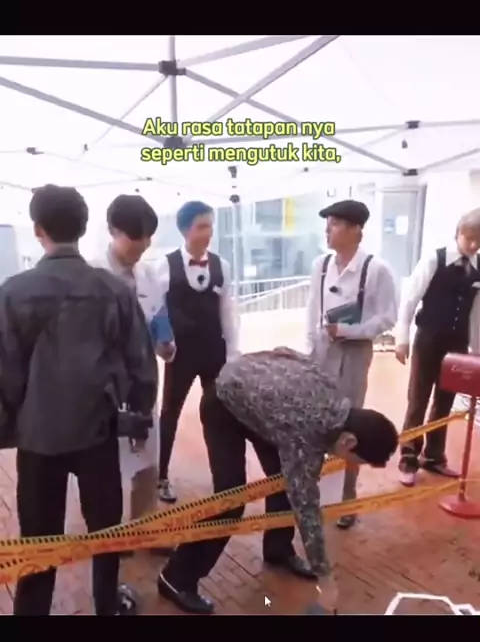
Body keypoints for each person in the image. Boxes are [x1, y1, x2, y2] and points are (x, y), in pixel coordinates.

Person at [0, 185, 158, 615]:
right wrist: (138, 415)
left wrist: (11, 425)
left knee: (39, 543)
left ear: (38, 230)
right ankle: (107, 605)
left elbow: (5, 374)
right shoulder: (113, 289)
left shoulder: (12, 293)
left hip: (37, 439)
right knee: (106, 535)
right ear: (85, 228)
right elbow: (141, 363)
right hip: (97, 433)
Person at [158, 348, 399, 615]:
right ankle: (176, 578)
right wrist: (325, 579)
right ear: (348, 441)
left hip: (259, 399)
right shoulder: (307, 435)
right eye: (355, 460)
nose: (350, 464)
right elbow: (308, 512)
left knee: (286, 480)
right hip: (223, 404)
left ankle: (278, 549)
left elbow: (286, 353)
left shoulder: (333, 394)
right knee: (231, 502)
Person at [306, 200, 398, 529]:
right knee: (315, 421)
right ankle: (312, 494)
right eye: (327, 223)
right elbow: (312, 310)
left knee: (350, 424)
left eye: (334, 224)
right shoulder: (320, 265)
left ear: (356, 229)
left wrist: (351, 331)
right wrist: (309, 351)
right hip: (321, 352)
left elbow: (388, 317)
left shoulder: (376, 269)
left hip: (354, 354)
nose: (327, 230)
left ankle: (347, 499)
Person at [93, 195, 175, 552]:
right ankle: (113, 537)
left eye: (148, 237)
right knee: (108, 464)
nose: (143, 244)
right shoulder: (93, 275)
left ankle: (146, 529)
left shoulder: (148, 275)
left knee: (147, 461)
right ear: (113, 230)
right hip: (106, 386)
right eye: (136, 236)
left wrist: (167, 344)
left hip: (143, 382)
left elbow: (159, 318)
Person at [155, 200, 239, 504]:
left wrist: (234, 355)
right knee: (170, 413)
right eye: (202, 226)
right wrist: (163, 344)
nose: (208, 232)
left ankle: (225, 482)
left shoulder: (221, 265)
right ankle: (161, 476)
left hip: (214, 351)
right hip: (180, 353)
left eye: (210, 226)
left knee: (220, 415)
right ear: (185, 230)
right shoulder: (164, 265)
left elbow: (228, 312)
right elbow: (157, 310)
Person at [395, 207, 480, 486]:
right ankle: (408, 458)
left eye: (479, 241)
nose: (474, 245)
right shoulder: (435, 258)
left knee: (445, 401)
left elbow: (476, 312)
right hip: (428, 338)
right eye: (470, 238)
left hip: (457, 344)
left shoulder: (478, 267)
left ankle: (434, 455)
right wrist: (402, 338)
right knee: (418, 399)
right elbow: (409, 299)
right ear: (458, 233)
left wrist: (476, 349)